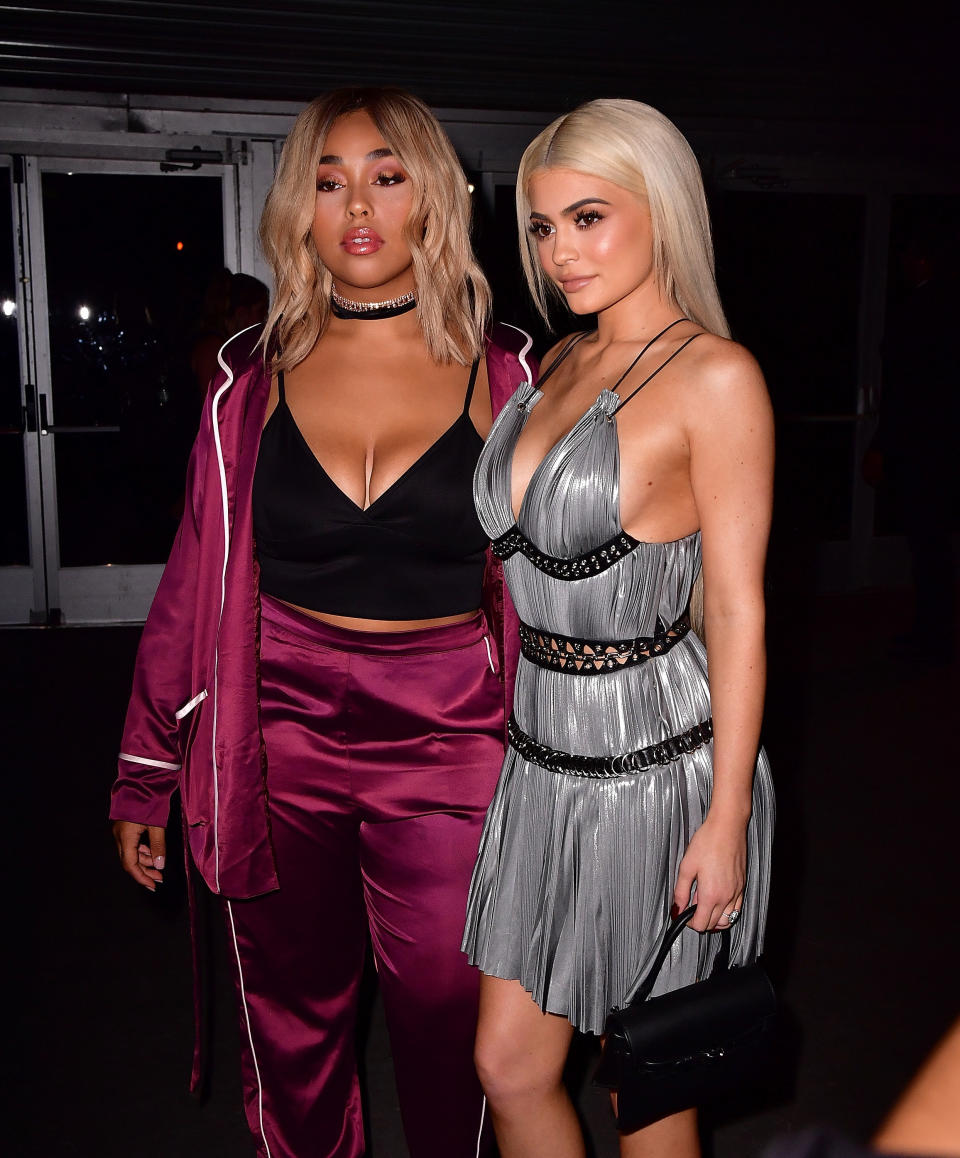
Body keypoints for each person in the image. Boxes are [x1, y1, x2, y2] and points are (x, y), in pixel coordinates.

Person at [109, 87, 533, 1158]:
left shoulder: (515, 378)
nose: (359, 206)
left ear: (432, 198)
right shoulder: (243, 390)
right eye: (330, 179)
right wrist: (145, 773)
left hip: (458, 743)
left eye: (388, 176)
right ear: (299, 205)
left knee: (457, 1031)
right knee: (290, 1033)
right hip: (277, 737)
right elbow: (190, 589)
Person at [461, 98, 776, 1157]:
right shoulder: (554, 364)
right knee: (509, 1065)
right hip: (542, 757)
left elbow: (736, 606)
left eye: (589, 217)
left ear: (662, 208)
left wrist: (726, 816)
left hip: (654, 764)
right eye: (544, 228)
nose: (560, 253)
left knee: (649, 1084)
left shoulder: (717, 379)